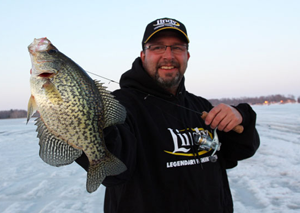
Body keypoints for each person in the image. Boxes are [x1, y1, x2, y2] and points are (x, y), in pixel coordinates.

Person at [77, 17, 260, 213]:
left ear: (187, 56)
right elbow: (113, 173)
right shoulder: (117, 105)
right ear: (143, 55)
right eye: (157, 47)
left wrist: (242, 115)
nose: (168, 55)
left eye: (177, 48)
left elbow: (236, 153)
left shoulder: (200, 106)